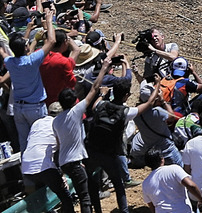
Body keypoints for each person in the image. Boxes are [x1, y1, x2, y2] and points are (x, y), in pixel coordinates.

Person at [85, 77, 160, 213]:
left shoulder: (101, 105)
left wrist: (102, 93)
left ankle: (96, 210)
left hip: (92, 151)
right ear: (126, 95)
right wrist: (158, 84)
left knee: (93, 184)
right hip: (110, 154)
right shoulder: (126, 112)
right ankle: (124, 211)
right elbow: (149, 103)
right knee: (119, 185)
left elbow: (95, 105)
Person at [53, 59, 113, 213]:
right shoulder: (76, 111)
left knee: (91, 186)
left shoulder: (56, 120)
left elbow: (60, 143)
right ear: (74, 102)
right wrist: (104, 68)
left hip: (66, 162)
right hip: (74, 162)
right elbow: (94, 88)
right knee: (85, 198)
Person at [1, 4, 56, 150]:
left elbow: (4, 51)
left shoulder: (10, 62)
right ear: (25, 48)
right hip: (35, 107)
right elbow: (51, 41)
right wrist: (49, 21)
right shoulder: (32, 61)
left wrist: (28, 32)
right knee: (41, 140)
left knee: (25, 144)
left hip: (19, 108)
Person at [20, 102, 74, 212]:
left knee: (41, 189)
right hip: (44, 165)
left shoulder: (37, 123)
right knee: (64, 195)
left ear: (48, 112)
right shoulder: (59, 123)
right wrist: (61, 174)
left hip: (26, 166)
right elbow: (60, 150)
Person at [129, 82, 181, 167]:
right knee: (179, 168)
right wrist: (163, 101)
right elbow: (172, 117)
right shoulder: (157, 112)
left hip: (152, 149)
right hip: (167, 148)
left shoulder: (136, 115)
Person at [142, 147, 202, 213]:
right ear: (162, 159)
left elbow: (152, 207)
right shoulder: (174, 169)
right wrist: (201, 200)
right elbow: (191, 185)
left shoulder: (145, 183)